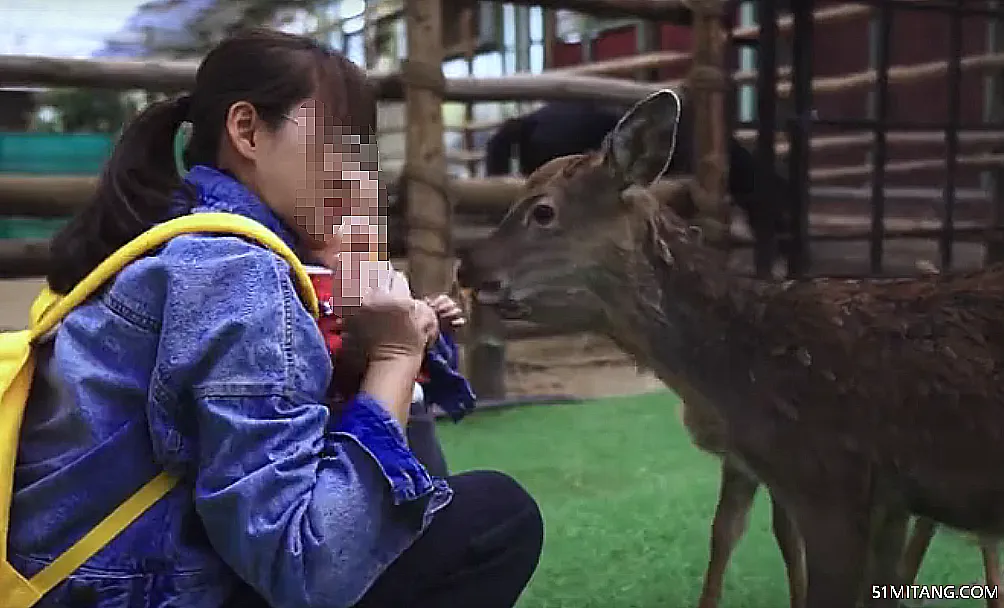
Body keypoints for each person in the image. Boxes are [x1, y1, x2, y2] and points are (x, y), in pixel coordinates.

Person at [10, 29, 543, 608]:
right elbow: (307, 569)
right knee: (497, 517)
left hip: (80, 582)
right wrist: (394, 358)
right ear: (247, 131)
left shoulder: (161, 235)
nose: (354, 171)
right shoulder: (237, 269)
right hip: (137, 592)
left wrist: (369, 350)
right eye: (340, 141)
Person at [306, 218, 471, 478]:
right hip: (360, 414)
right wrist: (369, 343)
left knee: (436, 492)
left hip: (412, 408)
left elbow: (424, 355)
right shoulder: (306, 284)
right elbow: (324, 357)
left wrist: (433, 325)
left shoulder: (377, 279)